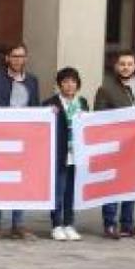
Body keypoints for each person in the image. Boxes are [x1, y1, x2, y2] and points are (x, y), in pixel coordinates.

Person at [94, 50, 135, 240]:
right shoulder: (106, 88)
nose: (126, 67)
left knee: (132, 184)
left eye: (129, 64)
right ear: (116, 66)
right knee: (112, 185)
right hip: (114, 145)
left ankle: (127, 224)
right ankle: (110, 224)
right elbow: (99, 115)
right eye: (122, 64)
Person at [0, 43, 40, 240]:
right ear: (7, 58)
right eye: (14, 56)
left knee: (20, 180)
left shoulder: (32, 81)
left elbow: (35, 108)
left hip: (23, 138)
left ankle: (18, 224)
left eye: (21, 56)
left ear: (26, 59)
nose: (18, 60)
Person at [43, 67, 88, 242]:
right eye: (65, 82)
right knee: (58, 190)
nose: (69, 85)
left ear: (77, 84)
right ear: (59, 84)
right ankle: (56, 224)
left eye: (73, 82)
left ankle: (69, 223)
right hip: (59, 153)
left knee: (71, 191)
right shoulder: (50, 103)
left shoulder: (82, 102)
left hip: (77, 154)